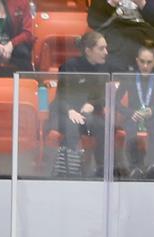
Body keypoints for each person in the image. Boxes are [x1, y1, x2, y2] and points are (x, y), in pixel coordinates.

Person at [52, 31, 112, 178]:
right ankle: (71, 171)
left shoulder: (104, 70)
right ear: (88, 51)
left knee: (103, 126)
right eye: (101, 48)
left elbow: (104, 98)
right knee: (71, 126)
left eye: (106, 48)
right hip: (67, 113)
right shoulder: (70, 67)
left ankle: (101, 169)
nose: (106, 52)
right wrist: (70, 111)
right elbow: (60, 97)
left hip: (89, 115)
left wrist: (92, 104)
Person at [115, 45, 154, 176]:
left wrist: (153, 111)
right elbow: (115, 101)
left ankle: (153, 165)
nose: (145, 66)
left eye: (149, 62)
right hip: (133, 116)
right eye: (142, 61)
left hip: (152, 117)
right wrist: (130, 112)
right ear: (137, 61)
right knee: (131, 131)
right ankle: (134, 166)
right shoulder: (128, 77)